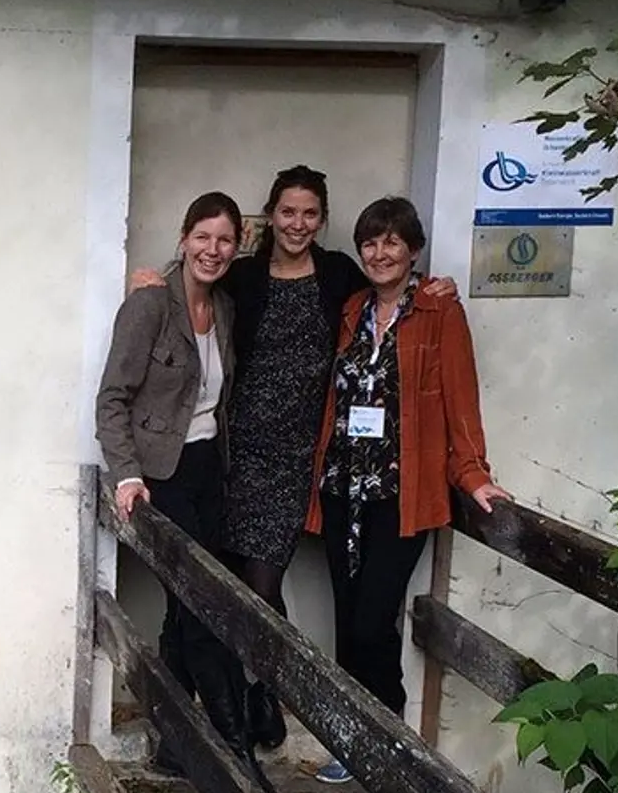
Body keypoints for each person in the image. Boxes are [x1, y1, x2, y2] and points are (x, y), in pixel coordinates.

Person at [129, 166, 457, 752]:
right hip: (232, 453)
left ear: (322, 220)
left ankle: (263, 688)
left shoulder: (338, 275)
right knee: (216, 582)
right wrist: (150, 279)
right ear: (271, 216)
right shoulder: (246, 275)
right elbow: (193, 293)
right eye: (287, 212)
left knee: (260, 582)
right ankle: (233, 698)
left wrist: (438, 288)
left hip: (297, 458)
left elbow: (393, 292)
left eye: (309, 214)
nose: (297, 223)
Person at [305, 196, 510, 783]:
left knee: (374, 621)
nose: (379, 252)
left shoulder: (438, 311)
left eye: (392, 241)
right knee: (347, 622)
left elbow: (459, 398)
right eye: (370, 242)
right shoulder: (351, 309)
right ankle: (350, 741)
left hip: (402, 495)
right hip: (343, 488)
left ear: (412, 249)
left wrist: (473, 474)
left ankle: (388, 736)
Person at [96, 191, 275, 793]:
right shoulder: (150, 303)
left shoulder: (222, 307)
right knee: (204, 605)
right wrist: (126, 473)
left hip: (205, 469)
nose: (213, 249)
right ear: (183, 238)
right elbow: (113, 397)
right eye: (203, 237)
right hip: (157, 474)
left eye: (225, 240)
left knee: (184, 608)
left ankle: (174, 744)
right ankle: (235, 748)